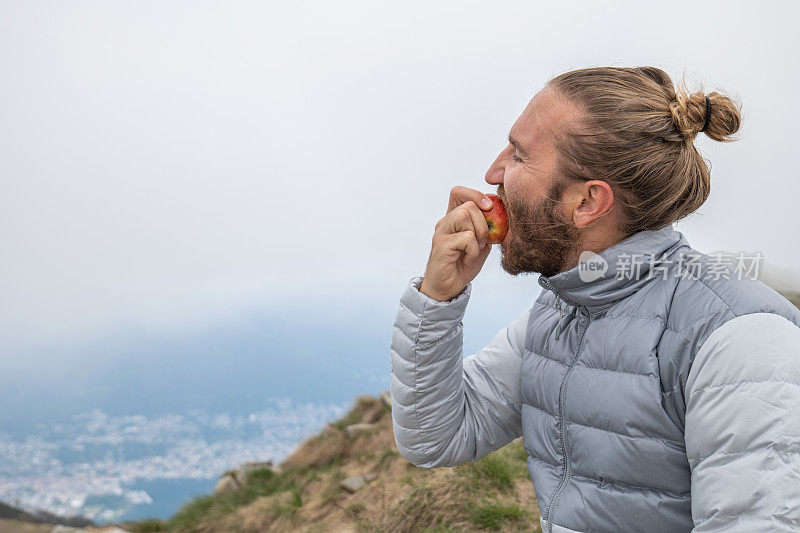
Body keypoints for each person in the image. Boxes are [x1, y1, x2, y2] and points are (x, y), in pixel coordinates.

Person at [389, 66, 800, 533]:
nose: (492, 172)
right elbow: (434, 439)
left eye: (519, 156)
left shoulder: (740, 340)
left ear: (587, 202)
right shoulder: (562, 310)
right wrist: (439, 298)